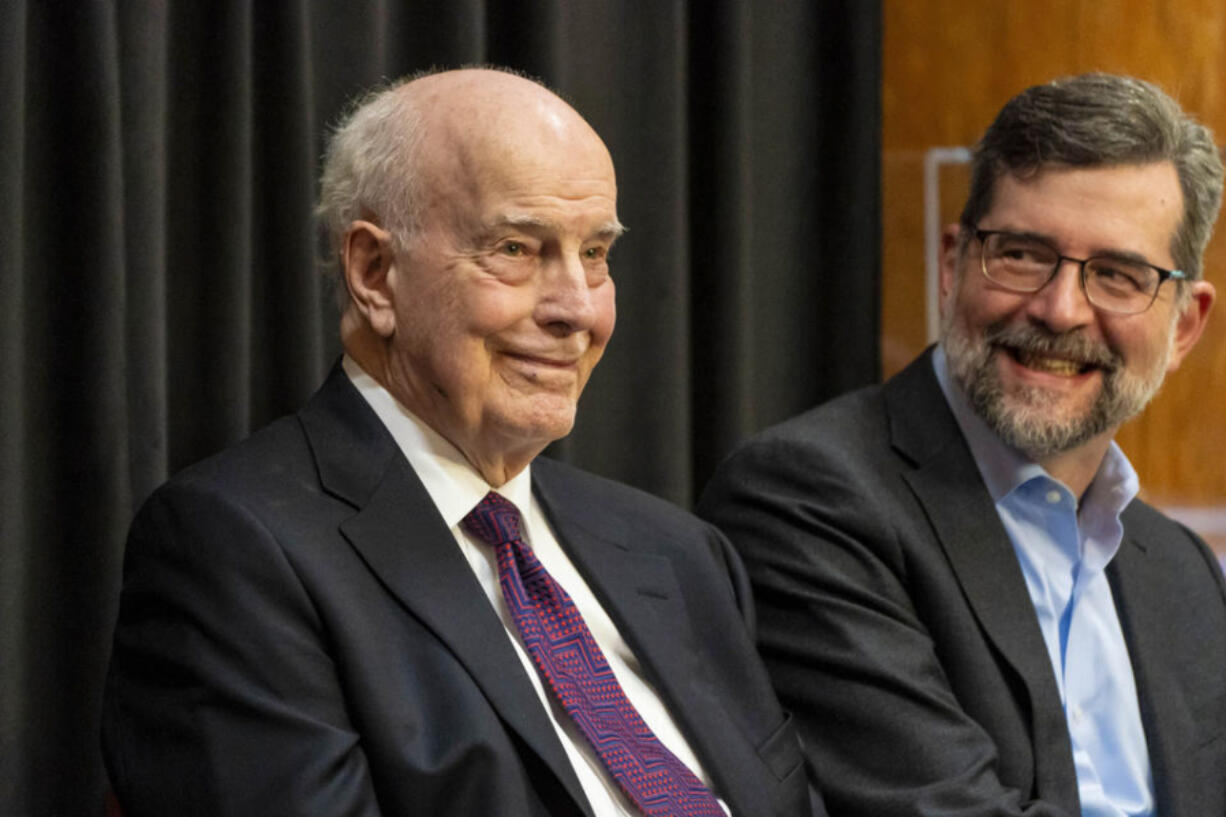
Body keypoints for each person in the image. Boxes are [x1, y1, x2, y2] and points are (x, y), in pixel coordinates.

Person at [103, 68, 815, 817]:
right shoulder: (235, 551)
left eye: (596, 253)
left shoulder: (682, 554)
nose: (577, 309)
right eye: (516, 248)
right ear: (375, 273)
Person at [699, 73, 1226, 817]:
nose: (1059, 309)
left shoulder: (1182, 570)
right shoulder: (808, 500)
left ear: (1184, 326)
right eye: (1020, 254)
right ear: (952, 265)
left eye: (1116, 274)